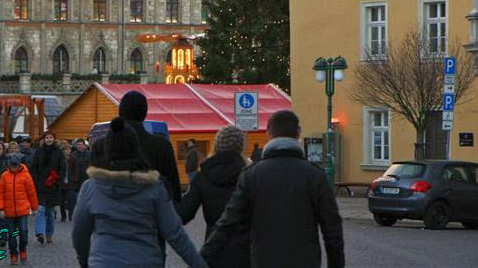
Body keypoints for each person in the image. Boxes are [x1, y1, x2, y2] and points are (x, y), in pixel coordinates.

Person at [201, 110, 344, 268]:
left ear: (268, 133)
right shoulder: (315, 175)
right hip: (305, 260)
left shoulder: (251, 175)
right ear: (298, 133)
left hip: (263, 259)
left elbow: (228, 221)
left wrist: (201, 258)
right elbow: (332, 229)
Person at [72, 117, 206, 268]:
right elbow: (175, 234)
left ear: (107, 149)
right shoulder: (154, 187)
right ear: (136, 149)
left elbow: (79, 233)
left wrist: (85, 262)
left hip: (104, 261)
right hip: (146, 260)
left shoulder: (91, 187)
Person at [176, 125, 248, 268]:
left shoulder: (202, 176)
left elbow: (183, 214)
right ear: (241, 147)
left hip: (214, 248)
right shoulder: (250, 175)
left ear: (216, 145)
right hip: (246, 252)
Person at [91, 90, 181, 202]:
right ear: (144, 113)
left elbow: (91, 190)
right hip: (150, 212)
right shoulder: (161, 146)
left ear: (120, 112)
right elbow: (173, 189)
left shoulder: (99, 146)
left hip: (106, 212)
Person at [0, 154, 38, 266]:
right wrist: (1, 208)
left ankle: (23, 250)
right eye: (12, 165)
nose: (14, 168)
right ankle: (14, 255)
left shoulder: (26, 176)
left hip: (22, 210)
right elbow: (0, 193)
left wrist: (34, 208)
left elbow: (32, 193)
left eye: (15, 165)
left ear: (19, 165)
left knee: (23, 232)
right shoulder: (5, 176)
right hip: (9, 211)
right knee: (11, 234)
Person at [30, 130, 66, 244]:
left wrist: (58, 181)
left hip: (53, 186)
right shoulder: (38, 152)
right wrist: (36, 181)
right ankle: (40, 232)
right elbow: (34, 167)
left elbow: (62, 168)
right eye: (47, 138)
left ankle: (49, 233)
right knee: (40, 210)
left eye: (51, 137)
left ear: (54, 139)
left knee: (50, 212)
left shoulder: (59, 152)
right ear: (43, 139)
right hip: (41, 185)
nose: (49, 139)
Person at [69, 138, 91, 219]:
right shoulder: (73, 155)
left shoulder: (89, 154)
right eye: (78, 145)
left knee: (86, 199)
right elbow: (70, 169)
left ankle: (85, 215)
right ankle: (75, 215)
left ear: (84, 146)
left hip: (87, 179)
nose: (80, 146)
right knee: (76, 200)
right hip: (76, 181)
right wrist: (72, 179)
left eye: (81, 145)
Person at [60, 144, 74, 222]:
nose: (68, 151)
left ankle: (71, 215)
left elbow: (76, 170)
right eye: (66, 149)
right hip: (62, 182)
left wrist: (74, 179)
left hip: (70, 182)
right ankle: (63, 215)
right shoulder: (60, 159)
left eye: (69, 149)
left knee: (70, 200)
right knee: (62, 201)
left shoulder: (73, 159)